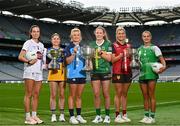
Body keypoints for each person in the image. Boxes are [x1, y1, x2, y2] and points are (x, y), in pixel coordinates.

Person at [18, 25, 45, 125]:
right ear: (30, 33)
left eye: (37, 31)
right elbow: (20, 56)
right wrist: (29, 62)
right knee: (28, 94)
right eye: (34, 31)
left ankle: (34, 115)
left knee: (36, 95)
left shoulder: (42, 45)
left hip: (39, 72)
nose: (36, 33)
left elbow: (41, 59)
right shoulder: (28, 43)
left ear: (39, 33)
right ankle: (28, 117)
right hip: (29, 71)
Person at [138, 30, 166, 124]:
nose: (146, 38)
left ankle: (152, 117)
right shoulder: (139, 49)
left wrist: (163, 67)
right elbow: (139, 63)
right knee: (145, 97)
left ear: (150, 37)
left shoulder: (155, 48)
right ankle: (146, 116)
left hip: (151, 75)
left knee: (151, 96)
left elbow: (162, 61)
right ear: (142, 38)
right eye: (144, 36)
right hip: (142, 74)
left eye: (148, 36)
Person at [65, 28, 87, 124]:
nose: (76, 36)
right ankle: (71, 116)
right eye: (74, 35)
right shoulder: (68, 47)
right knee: (72, 95)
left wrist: (89, 65)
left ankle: (78, 115)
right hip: (72, 74)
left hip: (82, 74)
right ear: (71, 37)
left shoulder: (84, 48)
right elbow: (67, 61)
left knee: (79, 96)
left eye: (78, 35)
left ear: (80, 37)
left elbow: (86, 61)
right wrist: (73, 52)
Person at [90, 26, 112, 124]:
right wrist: (89, 65)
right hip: (94, 72)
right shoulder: (91, 44)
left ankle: (107, 116)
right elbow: (89, 58)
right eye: (97, 33)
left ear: (103, 34)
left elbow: (110, 59)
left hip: (105, 71)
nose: (98, 34)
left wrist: (101, 53)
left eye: (100, 33)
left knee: (106, 94)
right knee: (96, 94)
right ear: (95, 34)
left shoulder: (108, 44)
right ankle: (98, 116)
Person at [112, 26, 132, 123]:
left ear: (125, 35)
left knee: (125, 94)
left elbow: (131, 60)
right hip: (117, 72)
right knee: (118, 93)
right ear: (116, 35)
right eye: (119, 33)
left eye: (122, 33)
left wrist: (130, 55)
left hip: (128, 71)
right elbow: (112, 60)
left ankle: (124, 114)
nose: (121, 35)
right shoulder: (113, 45)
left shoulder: (129, 46)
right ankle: (117, 115)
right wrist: (120, 56)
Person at [46, 33, 66, 122]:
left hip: (61, 73)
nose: (56, 40)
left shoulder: (63, 50)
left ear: (60, 40)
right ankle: (53, 115)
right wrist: (49, 66)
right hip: (52, 73)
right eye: (54, 38)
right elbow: (46, 64)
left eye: (57, 38)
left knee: (62, 95)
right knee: (53, 95)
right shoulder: (48, 50)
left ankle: (62, 115)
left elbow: (66, 63)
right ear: (51, 40)